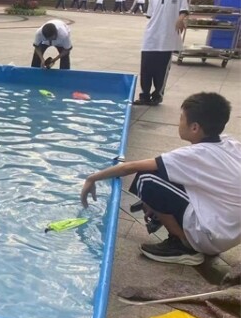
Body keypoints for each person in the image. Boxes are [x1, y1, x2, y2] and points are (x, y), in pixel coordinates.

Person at [81, 92, 240, 266]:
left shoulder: (195, 154)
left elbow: (131, 167)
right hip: (228, 231)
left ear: (194, 127)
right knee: (166, 174)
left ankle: (182, 245)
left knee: (146, 179)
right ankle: (165, 217)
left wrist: (92, 178)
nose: (178, 122)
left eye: (181, 118)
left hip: (211, 236)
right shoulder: (231, 144)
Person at [133, 0, 189, 106]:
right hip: (151, 36)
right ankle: (144, 95)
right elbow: (151, 16)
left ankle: (157, 95)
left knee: (161, 70)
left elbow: (184, 9)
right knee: (146, 68)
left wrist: (181, 19)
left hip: (167, 38)